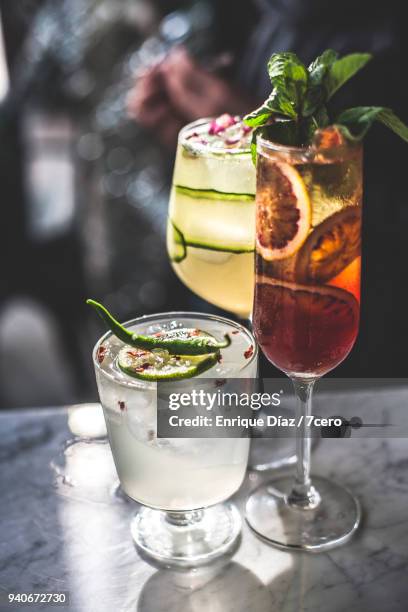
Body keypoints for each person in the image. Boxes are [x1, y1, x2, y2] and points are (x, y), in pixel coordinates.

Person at [129, 0, 408, 377]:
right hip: (241, 287)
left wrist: (260, 135)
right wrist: (192, 132)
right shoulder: (262, 13)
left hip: (349, 337)